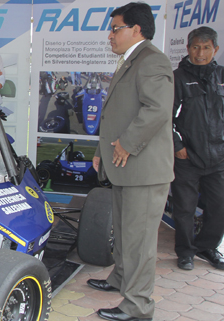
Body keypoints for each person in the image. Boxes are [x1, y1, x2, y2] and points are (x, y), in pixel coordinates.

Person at [88, 3, 174, 321]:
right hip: (124, 165)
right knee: (125, 232)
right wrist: (101, 149)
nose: (110, 35)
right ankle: (120, 279)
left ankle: (138, 306)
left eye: (115, 28)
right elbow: (115, 113)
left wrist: (126, 143)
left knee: (139, 239)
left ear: (136, 30)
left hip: (144, 168)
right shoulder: (130, 61)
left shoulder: (152, 61)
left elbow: (156, 110)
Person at [171, 26, 224, 271]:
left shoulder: (221, 76)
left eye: (206, 48)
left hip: (219, 159)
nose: (200, 53)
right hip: (187, 158)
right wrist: (178, 147)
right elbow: (164, 118)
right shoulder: (177, 78)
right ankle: (185, 251)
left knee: (218, 205)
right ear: (188, 48)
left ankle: (207, 247)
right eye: (195, 47)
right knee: (184, 209)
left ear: (216, 49)